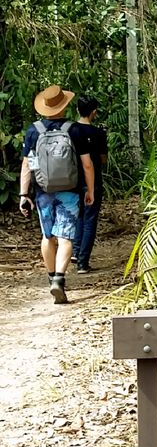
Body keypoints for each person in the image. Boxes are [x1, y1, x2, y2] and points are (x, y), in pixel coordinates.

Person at [19, 84, 95, 304]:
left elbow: (27, 165)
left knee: (48, 237)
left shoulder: (34, 131)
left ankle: (51, 276)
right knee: (65, 238)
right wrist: (89, 190)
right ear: (64, 106)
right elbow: (87, 165)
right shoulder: (74, 130)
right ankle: (59, 280)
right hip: (70, 191)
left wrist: (24, 194)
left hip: (43, 192)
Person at [73, 95, 108, 274]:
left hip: (72, 182)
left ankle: (76, 251)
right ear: (94, 112)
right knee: (90, 221)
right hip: (92, 183)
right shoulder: (98, 133)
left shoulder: (70, 130)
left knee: (79, 217)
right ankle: (82, 262)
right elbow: (102, 159)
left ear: (78, 110)